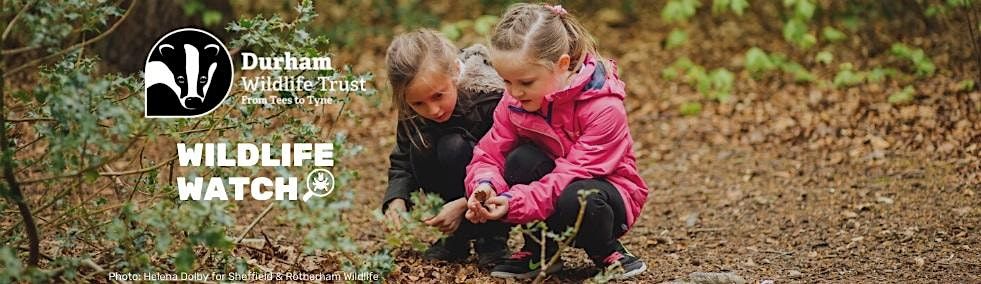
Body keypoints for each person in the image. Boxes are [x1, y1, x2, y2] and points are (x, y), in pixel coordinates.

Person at [464, 3, 649, 280]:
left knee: (578, 198)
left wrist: (512, 201)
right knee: (520, 160)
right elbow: (489, 155)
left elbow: (571, 174)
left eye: (525, 82)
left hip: (605, 192)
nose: (514, 92)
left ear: (562, 65)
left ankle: (606, 250)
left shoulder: (604, 107)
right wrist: (484, 186)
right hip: (549, 188)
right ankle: (540, 251)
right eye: (507, 81)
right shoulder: (513, 101)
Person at [381, 29, 509, 266]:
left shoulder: (488, 99)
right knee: (420, 147)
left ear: (455, 71)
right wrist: (397, 199)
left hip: (490, 190)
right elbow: (402, 159)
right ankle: (455, 238)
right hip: (449, 194)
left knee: (454, 147)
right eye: (418, 103)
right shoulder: (411, 109)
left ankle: (491, 239)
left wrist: (463, 204)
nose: (432, 110)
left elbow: (506, 164)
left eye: (438, 96)